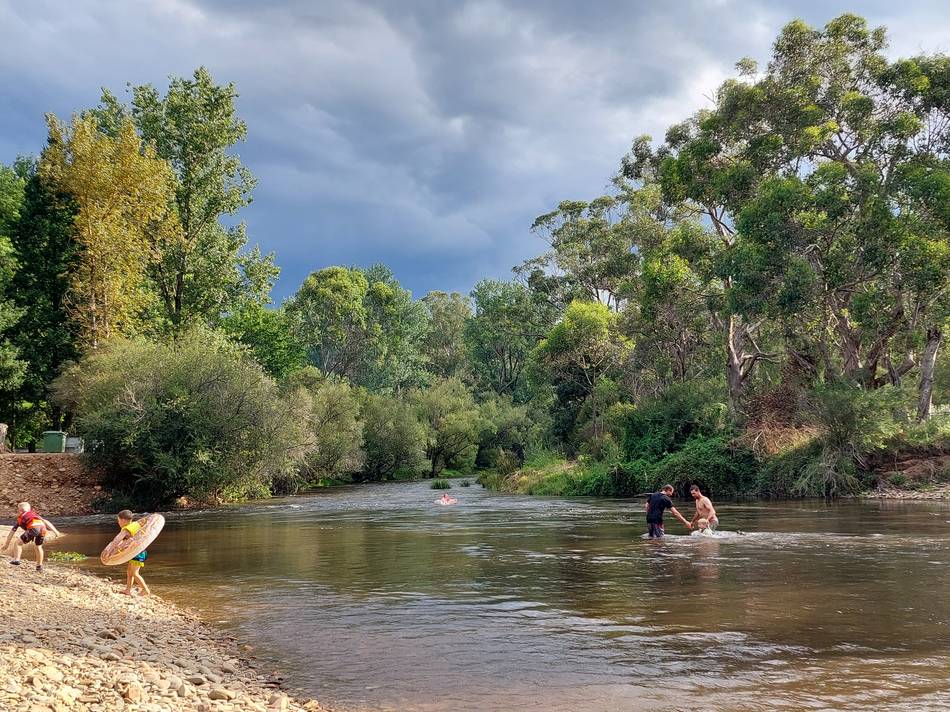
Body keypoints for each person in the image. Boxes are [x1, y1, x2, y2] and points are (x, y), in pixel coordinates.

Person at [3, 501, 61, 571]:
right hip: (43, 529)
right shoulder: (34, 515)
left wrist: (6, 544)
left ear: (20, 511)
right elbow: (45, 521)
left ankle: (16, 560)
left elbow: (12, 532)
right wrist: (55, 531)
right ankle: (39, 566)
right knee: (38, 546)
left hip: (33, 528)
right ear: (29, 509)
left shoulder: (21, 518)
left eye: (18, 510)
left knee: (17, 543)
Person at [114, 510, 151, 597]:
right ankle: (128, 590)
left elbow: (118, 541)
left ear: (123, 520)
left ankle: (145, 590)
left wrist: (115, 549)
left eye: (118, 520)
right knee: (129, 572)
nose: (118, 523)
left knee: (134, 573)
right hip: (139, 552)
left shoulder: (126, 529)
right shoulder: (135, 525)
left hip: (138, 553)